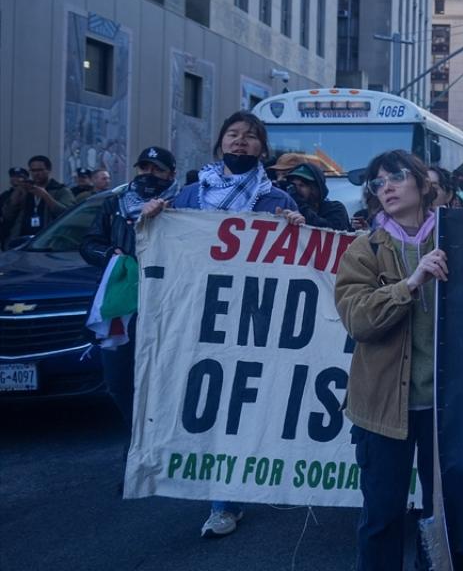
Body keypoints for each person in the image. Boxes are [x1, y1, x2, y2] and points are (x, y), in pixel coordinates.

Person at [143, 111, 297, 538]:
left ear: (262, 149)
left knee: (240, 406)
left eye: (250, 136)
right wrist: (153, 221)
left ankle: (226, 501)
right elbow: (165, 250)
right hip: (200, 315)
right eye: (233, 134)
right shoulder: (190, 196)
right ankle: (217, 489)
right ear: (220, 143)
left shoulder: (277, 201)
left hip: (253, 319)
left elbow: (296, 263)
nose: (240, 141)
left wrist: (298, 230)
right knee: (208, 403)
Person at [335, 149, 448, 571]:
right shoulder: (364, 248)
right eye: (378, 183)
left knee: (441, 517)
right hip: (382, 409)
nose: (387, 188)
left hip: (445, 408)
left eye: (396, 177)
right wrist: (410, 284)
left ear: (422, 182)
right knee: (382, 518)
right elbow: (358, 320)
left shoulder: (455, 235)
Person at [80, 146, 180, 429]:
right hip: (123, 306)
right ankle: (134, 434)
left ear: (171, 174)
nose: (149, 174)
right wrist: (109, 255)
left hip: (166, 304)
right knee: (118, 381)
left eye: (157, 169)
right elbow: (88, 244)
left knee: (163, 380)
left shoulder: (183, 205)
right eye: (144, 168)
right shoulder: (114, 204)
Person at [2, 155, 76, 242]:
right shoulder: (25, 189)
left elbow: (68, 215)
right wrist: (15, 197)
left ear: (48, 170)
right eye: (33, 170)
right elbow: (7, 216)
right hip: (22, 240)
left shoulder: (60, 190)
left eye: (40, 170)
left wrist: (45, 196)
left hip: (48, 241)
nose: (36, 174)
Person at [281, 161, 352, 230]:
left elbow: (331, 231)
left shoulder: (336, 208)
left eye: (302, 185)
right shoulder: (288, 208)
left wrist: (299, 205)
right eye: (293, 185)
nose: (296, 190)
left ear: (316, 189)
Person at [0, 167, 29, 246]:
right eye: (13, 176)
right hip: (8, 232)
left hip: (25, 230)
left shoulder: (31, 193)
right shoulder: (5, 195)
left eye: (20, 177)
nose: (16, 179)